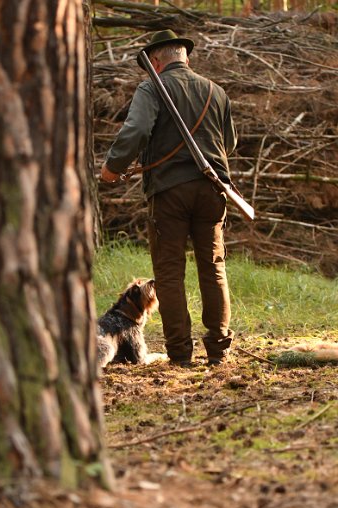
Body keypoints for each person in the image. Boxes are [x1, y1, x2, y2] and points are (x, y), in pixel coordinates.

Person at [101, 30, 237, 366]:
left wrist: (112, 168)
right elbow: (229, 143)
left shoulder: (152, 87)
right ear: (185, 58)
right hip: (212, 188)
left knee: (169, 273)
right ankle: (218, 348)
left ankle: (179, 353)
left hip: (169, 192)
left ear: (156, 63)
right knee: (214, 269)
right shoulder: (216, 91)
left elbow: (136, 131)